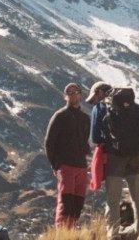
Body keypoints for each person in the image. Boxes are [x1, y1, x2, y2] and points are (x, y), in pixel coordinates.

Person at [100, 87, 139, 235]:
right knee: (138, 197)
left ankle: (113, 234)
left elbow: (96, 136)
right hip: (135, 155)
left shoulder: (107, 108)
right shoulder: (134, 108)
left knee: (113, 200)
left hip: (115, 157)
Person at [43, 82, 90, 228]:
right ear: (65, 96)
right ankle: (61, 234)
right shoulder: (60, 116)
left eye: (76, 91)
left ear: (80, 95)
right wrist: (55, 165)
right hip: (65, 166)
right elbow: (49, 142)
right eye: (69, 92)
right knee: (66, 202)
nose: (73, 94)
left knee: (78, 203)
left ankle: (70, 231)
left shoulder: (85, 119)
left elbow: (84, 142)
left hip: (81, 167)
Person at [86, 82, 113, 192]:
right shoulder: (126, 105)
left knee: (112, 192)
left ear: (100, 92)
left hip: (108, 154)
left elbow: (95, 138)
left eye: (95, 97)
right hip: (129, 153)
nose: (94, 102)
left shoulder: (98, 108)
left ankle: (113, 209)